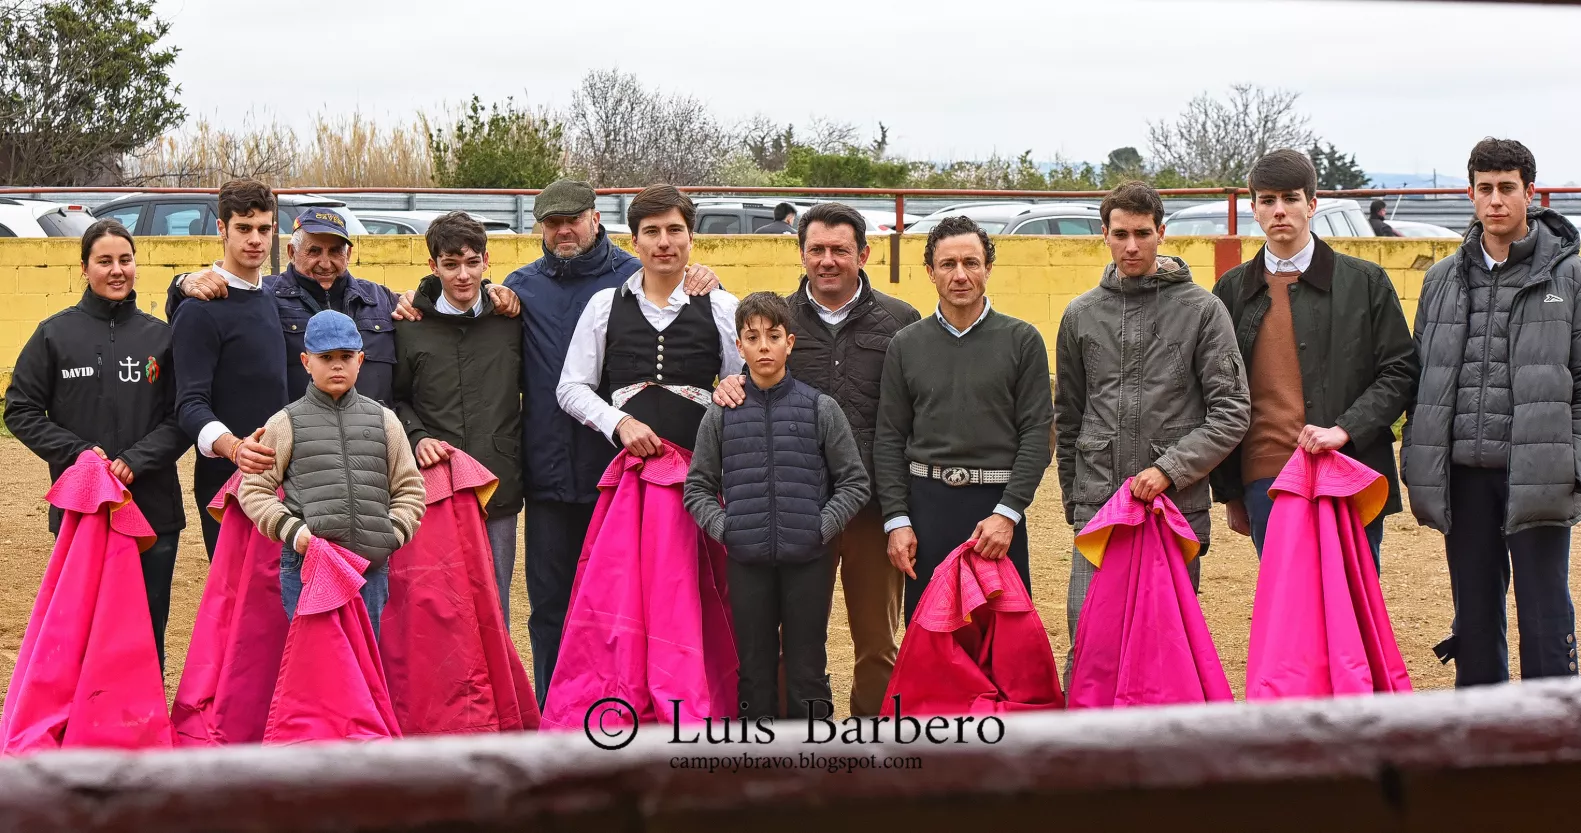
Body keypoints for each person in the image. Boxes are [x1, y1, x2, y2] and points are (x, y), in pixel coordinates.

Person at [402, 178, 716, 705]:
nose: (563, 230)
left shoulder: (635, 277)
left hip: (620, 476)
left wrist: (700, 275)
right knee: (548, 605)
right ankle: (554, 710)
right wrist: (410, 300)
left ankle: (629, 705)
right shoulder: (519, 288)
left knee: (623, 604)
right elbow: (457, 295)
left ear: (596, 218)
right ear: (539, 227)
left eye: (573, 219)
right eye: (552, 222)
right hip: (547, 473)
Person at [712, 201, 919, 716]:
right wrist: (727, 386)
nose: (828, 261)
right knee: (787, 637)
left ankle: (873, 741)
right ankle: (791, 740)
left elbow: (909, 416)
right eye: (817, 250)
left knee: (877, 640)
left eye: (840, 250)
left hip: (871, 506)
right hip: (793, 510)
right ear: (802, 254)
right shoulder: (777, 321)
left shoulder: (900, 321)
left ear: (863, 254)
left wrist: (900, 510)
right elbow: (748, 380)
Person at [1402, 137, 1581, 687]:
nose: (1495, 200)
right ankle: (1480, 737)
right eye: (1485, 189)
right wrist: (1420, 456)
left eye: (1507, 188)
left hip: (1539, 471)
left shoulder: (1572, 277)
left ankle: (1555, 735)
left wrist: (1573, 457)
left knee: (1545, 612)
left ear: (1530, 192)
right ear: (1471, 194)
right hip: (1464, 473)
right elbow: (1423, 378)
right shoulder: (1441, 280)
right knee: (1475, 615)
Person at [1054, 181, 1250, 678]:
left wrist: (1169, 470)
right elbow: (1069, 416)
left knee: (1165, 650)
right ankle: (1081, 749)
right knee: (1088, 644)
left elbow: (1231, 411)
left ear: (1162, 232)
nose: (1132, 246)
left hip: (1173, 509)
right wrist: (1076, 502)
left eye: (1143, 233)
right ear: (1104, 235)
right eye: (1120, 234)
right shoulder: (1080, 314)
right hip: (1100, 506)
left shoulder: (1203, 311)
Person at [1209, 150, 1417, 569]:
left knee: (1352, 610)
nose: (1279, 210)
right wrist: (1230, 490)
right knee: (1288, 615)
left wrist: (1345, 429)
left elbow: (1401, 370)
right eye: (1268, 200)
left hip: (1348, 470)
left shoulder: (1365, 282)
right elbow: (1217, 391)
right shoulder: (1230, 290)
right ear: (1254, 209)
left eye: (1290, 198)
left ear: (1312, 204)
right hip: (1264, 478)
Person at [4, 220, 192, 667]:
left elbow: (184, 415)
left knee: (146, 628)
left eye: (125, 260)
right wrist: (78, 455)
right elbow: (20, 410)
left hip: (153, 511)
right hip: (82, 512)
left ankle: (143, 729)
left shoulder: (161, 337)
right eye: (104, 261)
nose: (116, 270)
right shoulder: (54, 335)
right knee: (83, 628)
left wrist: (137, 459)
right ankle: (85, 728)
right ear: (84, 267)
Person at [685, 291, 870, 719]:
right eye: (752, 337)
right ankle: (757, 763)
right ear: (739, 347)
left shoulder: (819, 408)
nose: (763, 345)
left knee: (808, 665)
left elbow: (854, 482)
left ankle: (813, 761)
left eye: (773, 336)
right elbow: (698, 485)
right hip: (746, 560)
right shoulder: (722, 413)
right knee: (753, 667)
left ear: (790, 342)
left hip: (809, 560)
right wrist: (727, 529)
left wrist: (820, 527)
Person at [875, 216, 1054, 623]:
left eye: (971, 263)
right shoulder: (906, 345)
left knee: (1001, 638)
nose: (960, 275)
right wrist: (897, 520)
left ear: (988, 268)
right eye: (948, 264)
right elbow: (888, 438)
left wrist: (1008, 513)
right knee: (932, 640)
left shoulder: (1022, 340)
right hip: (927, 508)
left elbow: (1037, 435)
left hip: (994, 512)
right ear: (930, 272)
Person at [169, 207, 498, 407]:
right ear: (291, 252)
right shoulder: (263, 298)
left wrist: (490, 290)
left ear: (349, 254)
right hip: (297, 452)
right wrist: (181, 284)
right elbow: (197, 314)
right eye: (314, 251)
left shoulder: (382, 301)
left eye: (335, 251)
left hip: (372, 453)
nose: (325, 262)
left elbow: (447, 301)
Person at [239, 310, 426, 640]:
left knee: (364, 662)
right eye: (325, 357)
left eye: (346, 356)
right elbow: (255, 489)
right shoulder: (285, 423)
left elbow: (409, 488)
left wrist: (392, 534)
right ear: (306, 361)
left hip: (370, 568)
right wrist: (296, 535)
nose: (337, 365)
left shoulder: (385, 421)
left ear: (361, 360)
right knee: (314, 665)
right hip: (307, 567)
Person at [392, 212, 525, 620]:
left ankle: (497, 685)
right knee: (435, 603)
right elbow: (394, 398)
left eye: (471, 263)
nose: (462, 275)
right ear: (433, 266)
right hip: (435, 484)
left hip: (497, 481)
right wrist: (416, 437)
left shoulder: (512, 321)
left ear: (487, 261)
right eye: (451, 265)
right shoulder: (408, 326)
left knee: (494, 602)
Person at [557, 183, 742, 456]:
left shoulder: (723, 306)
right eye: (651, 231)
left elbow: (742, 384)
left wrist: (737, 386)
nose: (663, 242)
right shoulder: (605, 304)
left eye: (674, 230)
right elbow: (571, 387)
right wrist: (619, 422)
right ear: (635, 241)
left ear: (691, 237)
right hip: (626, 470)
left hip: (700, 471)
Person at [171, 178, 290, 558]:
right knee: (238, 605)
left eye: (263, 228)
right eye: (243, 228)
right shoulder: (198, 309)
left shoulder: (271, 296)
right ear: (221, 229)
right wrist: (235, 449)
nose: (254, 239)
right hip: (228, 483)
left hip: (283, 478)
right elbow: (189, 405)